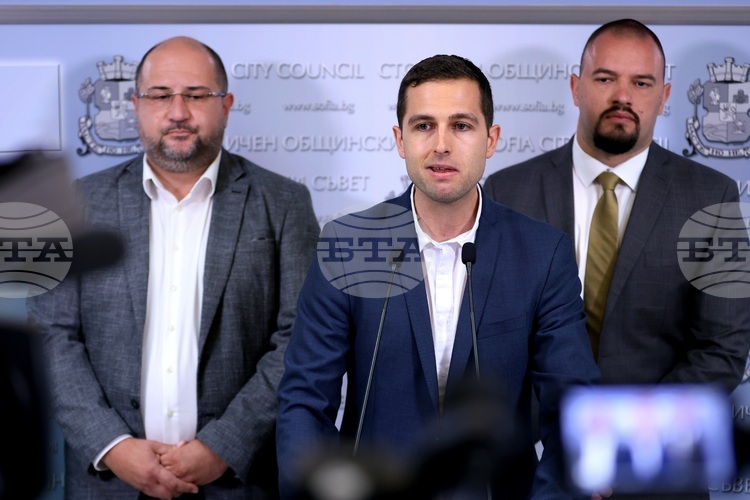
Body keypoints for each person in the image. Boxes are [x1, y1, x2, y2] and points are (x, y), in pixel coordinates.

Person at [277, 54, 600, 499]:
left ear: (491, 139)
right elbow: (304, 402)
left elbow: (572, 410)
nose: (441, 145)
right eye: (424, 125)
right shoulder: (349, 245)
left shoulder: (543, 254)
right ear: (400, 139)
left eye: (461, 126)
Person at [27, 36, 319, 499]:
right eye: (160, 95)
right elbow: (50, 334)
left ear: (226, 105)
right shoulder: (76, 204)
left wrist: (224, 445)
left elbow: (300, 338)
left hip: (234, 482)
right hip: (108, 483)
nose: (178, 112)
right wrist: (112, 445)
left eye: (196, 95)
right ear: (136, 105)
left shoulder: (283, 203)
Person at [485, 19, 750, 498]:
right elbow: (489, 342)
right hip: (529, 472)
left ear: (664, 97)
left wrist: (624, 441)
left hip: (657, 472)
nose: (623, 96)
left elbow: (723, 348)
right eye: (605, 78)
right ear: (576, 87)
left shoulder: (712, 196)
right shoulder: (507, 192)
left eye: (641, 83)